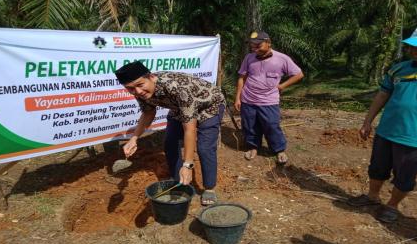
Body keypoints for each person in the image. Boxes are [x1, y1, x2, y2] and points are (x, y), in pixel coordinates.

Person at [348, 23, 417, 222]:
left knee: (404, 176)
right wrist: (367, 121)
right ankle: (372, 196)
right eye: (412, 46)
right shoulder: (400, 69)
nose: (414, 51)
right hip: (386, 131)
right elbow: (382, 95)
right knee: (377, 167)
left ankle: (392, 205)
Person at [114, 61, 225, 205]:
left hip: (209, 106)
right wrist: (134, 138)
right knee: (170, 143)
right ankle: (180, 181)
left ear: (151, 77)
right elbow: (148, 113)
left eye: (140, 85)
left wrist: (188, 165)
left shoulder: (176, 88)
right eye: (130, 89)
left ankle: (209, 188)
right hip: (180, 108)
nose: (138, 91)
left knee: (204, 148)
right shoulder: (139, 91)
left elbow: (189, 129)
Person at [234, 31, 304, 164]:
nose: (254, 48)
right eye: (252, 46)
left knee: (272, 125)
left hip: (269, 101)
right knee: (250, 126)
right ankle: (253, 147)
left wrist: (282, 86)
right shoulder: (249, 58)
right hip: (248, 99)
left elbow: (299, 74)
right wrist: (238, 97)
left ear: (268, 43)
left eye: (258, 45)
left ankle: (279, 149)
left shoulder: (282, 59)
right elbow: (242, 77)